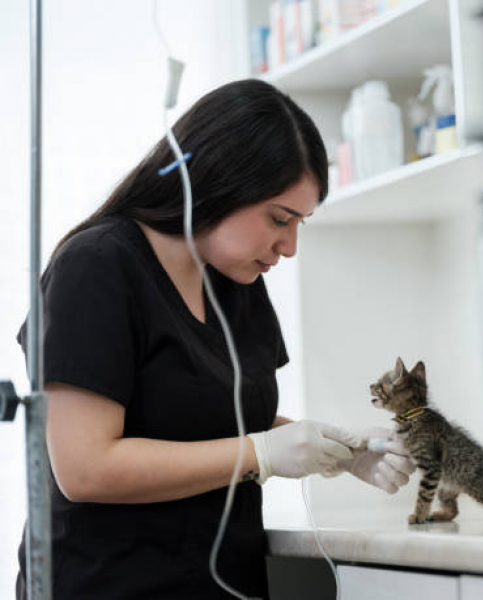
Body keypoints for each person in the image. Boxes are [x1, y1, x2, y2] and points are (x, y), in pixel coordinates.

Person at [15, 79, 416, 599]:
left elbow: (212, 417)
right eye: (279, 219)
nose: (289, 246)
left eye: (300, 224)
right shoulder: (97, 268)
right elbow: (86, 469)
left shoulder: (236, 283)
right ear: (217, 181)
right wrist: (262, 454)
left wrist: (337, 450)